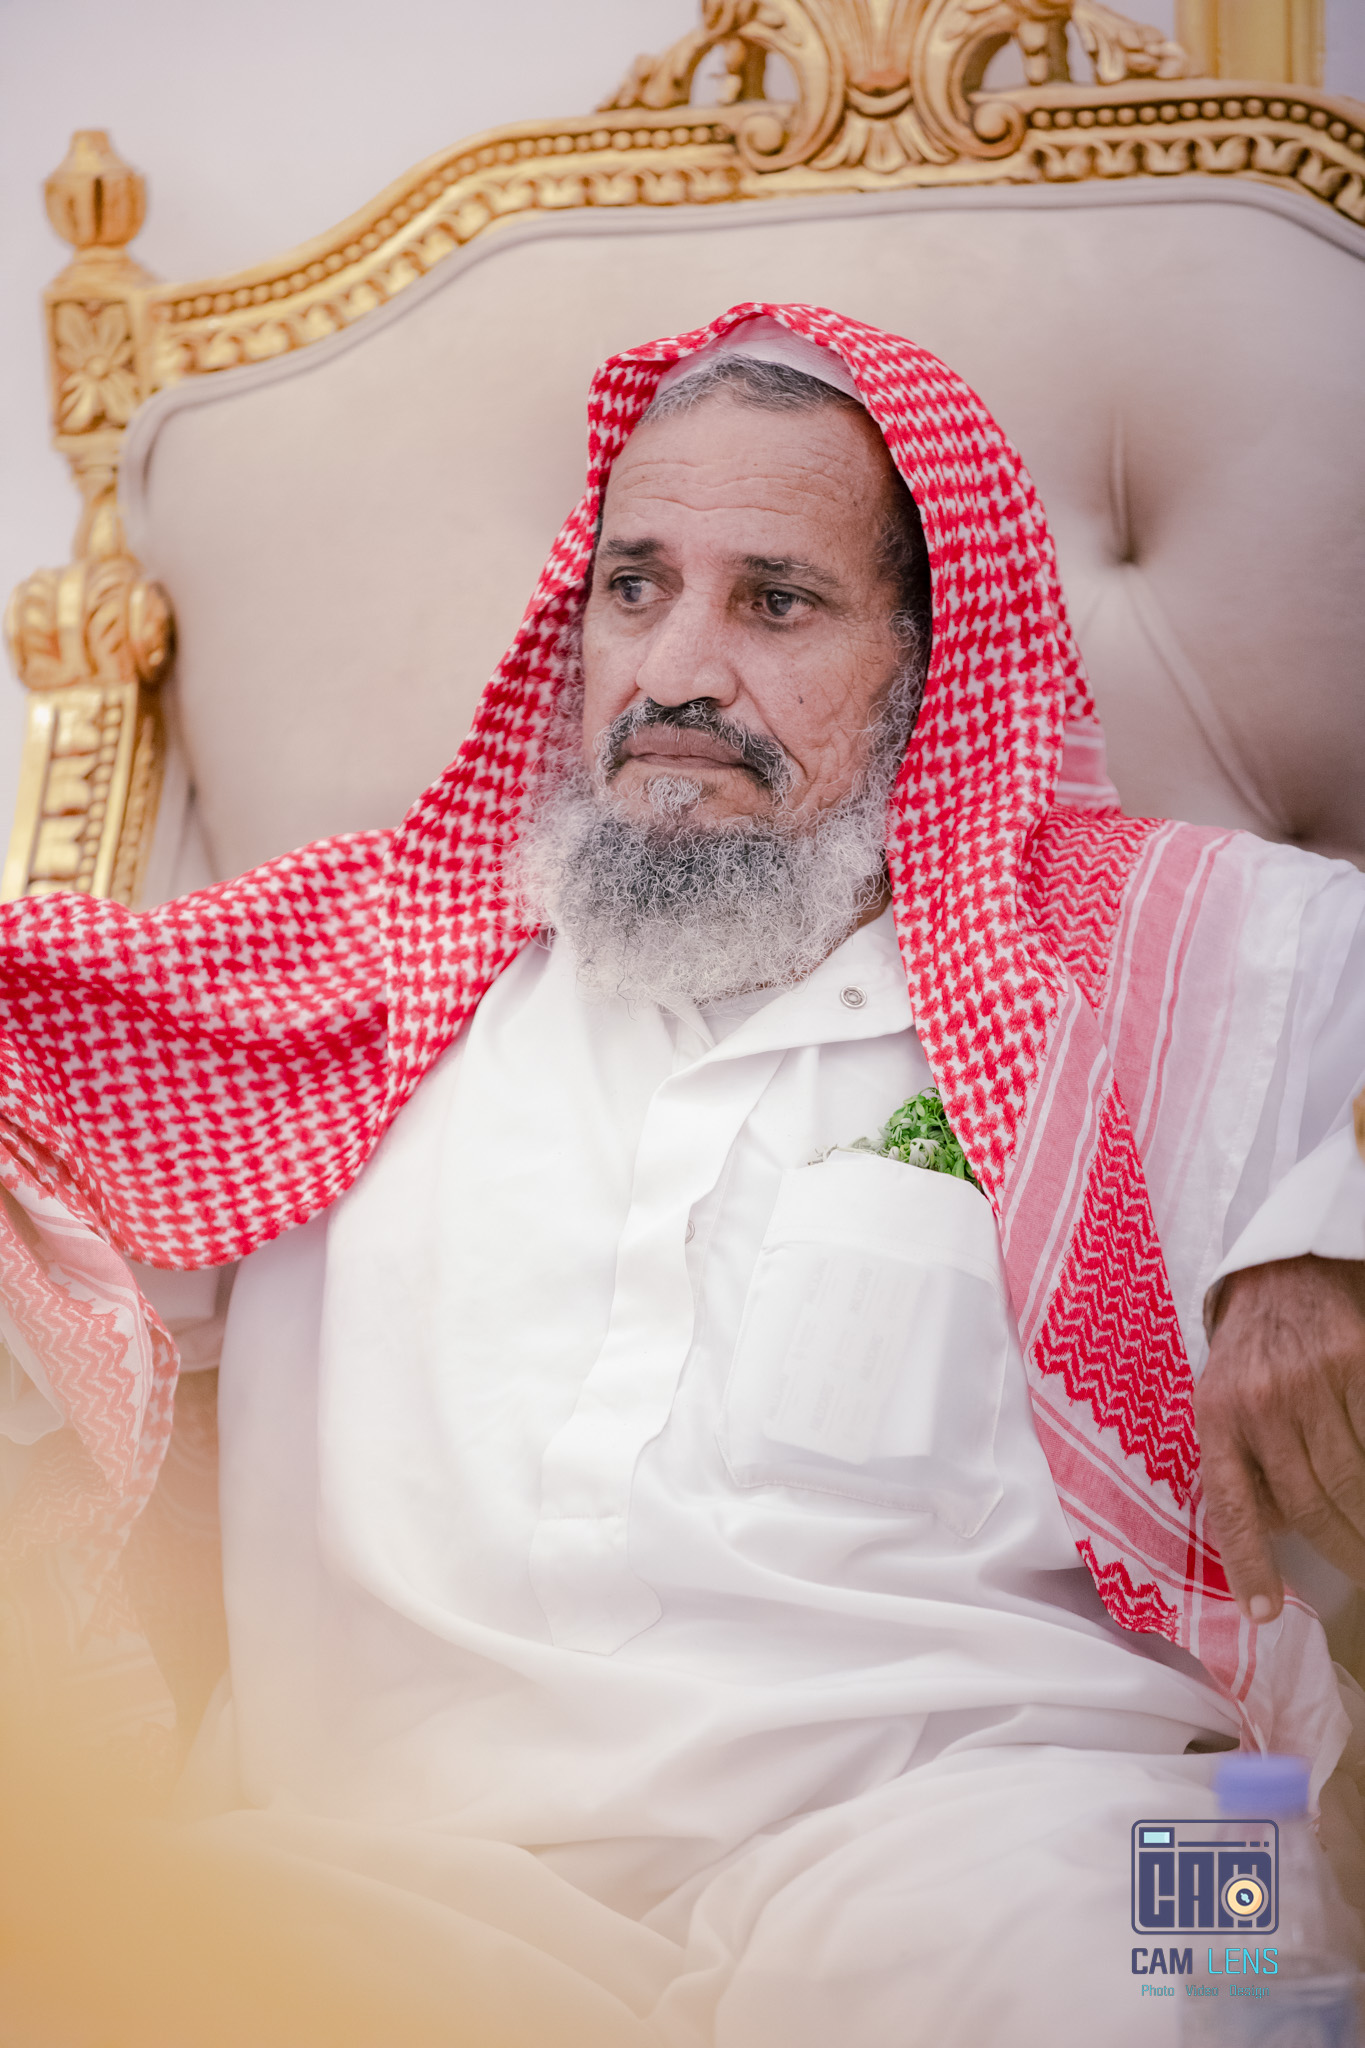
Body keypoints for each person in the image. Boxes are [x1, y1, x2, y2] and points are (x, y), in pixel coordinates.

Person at [1, 304, 1363, 2047]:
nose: (676, 672)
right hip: (391, 1877)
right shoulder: (362, 984)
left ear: (931, 660)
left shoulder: (1175, 957)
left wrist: (1334, 1232)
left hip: (1056, 1825)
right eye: (634, 589)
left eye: (775, 603)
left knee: (1188, 1985)